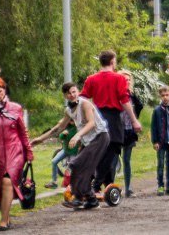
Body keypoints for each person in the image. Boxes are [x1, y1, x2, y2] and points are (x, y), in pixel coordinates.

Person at [32, 82, 110, 211]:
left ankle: (79, 198)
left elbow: (91, 123)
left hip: (100, 137)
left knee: (75, 164)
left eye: (74, 91)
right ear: (65, 95)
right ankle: (90, 200)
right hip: (87, 141)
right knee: (77, 167)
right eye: (69, 93)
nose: (72, 95)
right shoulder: (68, 110)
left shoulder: (85, 104)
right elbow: (59, 127)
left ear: (78, 91)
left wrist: (77, 136)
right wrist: (40, 139)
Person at [80, 50, 142, 193]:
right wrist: (134, 120)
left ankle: (108, 184)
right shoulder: (118, 79)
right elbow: (124, 100)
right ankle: (95, 185)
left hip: (97, 117)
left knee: (101, 150)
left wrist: (85, 116)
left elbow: (82, 98)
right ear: (113, 62)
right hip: (113, 118)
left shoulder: (91, 79)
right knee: (112, 151)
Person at [0, 76, 32, 230]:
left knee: (7, 181)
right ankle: (6, 216)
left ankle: (4, 221)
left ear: (4, 91)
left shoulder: (15, 108)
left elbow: (23, 132)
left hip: (14, 151)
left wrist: (29, 151)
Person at [113, 70, 143, 197]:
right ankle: (111, 187)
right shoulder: (114, 95)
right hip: (116, 131)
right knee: (113, 161)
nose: (127, 81)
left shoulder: (133, 97)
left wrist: (134, 122)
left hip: (129, 131)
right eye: (125, 79)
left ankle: (128, 188)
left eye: (129, 79)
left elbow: (139, 108)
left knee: (127, 160)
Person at [44, 122, 78, 189]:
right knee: (54, 161)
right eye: (70, 120)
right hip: (65, 150)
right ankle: (54, 182)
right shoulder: (66, 126)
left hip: (74, 152)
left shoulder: (78, 127)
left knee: (71, 168)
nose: (71, 121)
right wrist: (63, 134)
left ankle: (72, 185)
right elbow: (61, 137)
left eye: (72, 120)